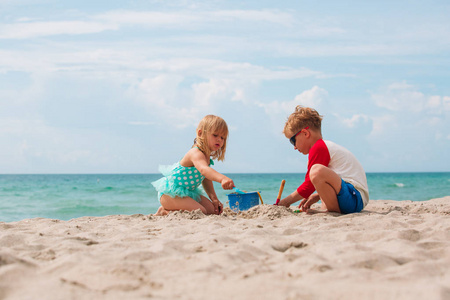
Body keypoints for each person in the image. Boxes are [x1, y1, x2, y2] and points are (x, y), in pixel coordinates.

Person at [278, 106, 369, 214]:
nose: (294, 147)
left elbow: (309, 185)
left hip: (354, 198)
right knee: (316, 171)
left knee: (316, 171)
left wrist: (285, 202)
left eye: (293, 141)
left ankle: (332, 212)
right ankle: (329, 209)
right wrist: (318, 195)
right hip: (353, 197)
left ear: (305, 133)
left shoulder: (319, 147)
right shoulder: (324, 147)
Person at [152, 115, 234, 216]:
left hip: (188, 193)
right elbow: (204, 170)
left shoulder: (206, 156)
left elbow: (206, 178)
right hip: (170, 194)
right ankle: (164, 211)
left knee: (212, 210)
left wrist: (214, 199)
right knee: (200, 211)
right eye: (215, 135)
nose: (219, 140)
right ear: (200, 133)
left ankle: (171, 209)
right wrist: (222, 179)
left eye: (222, 137)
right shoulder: (196, 153)